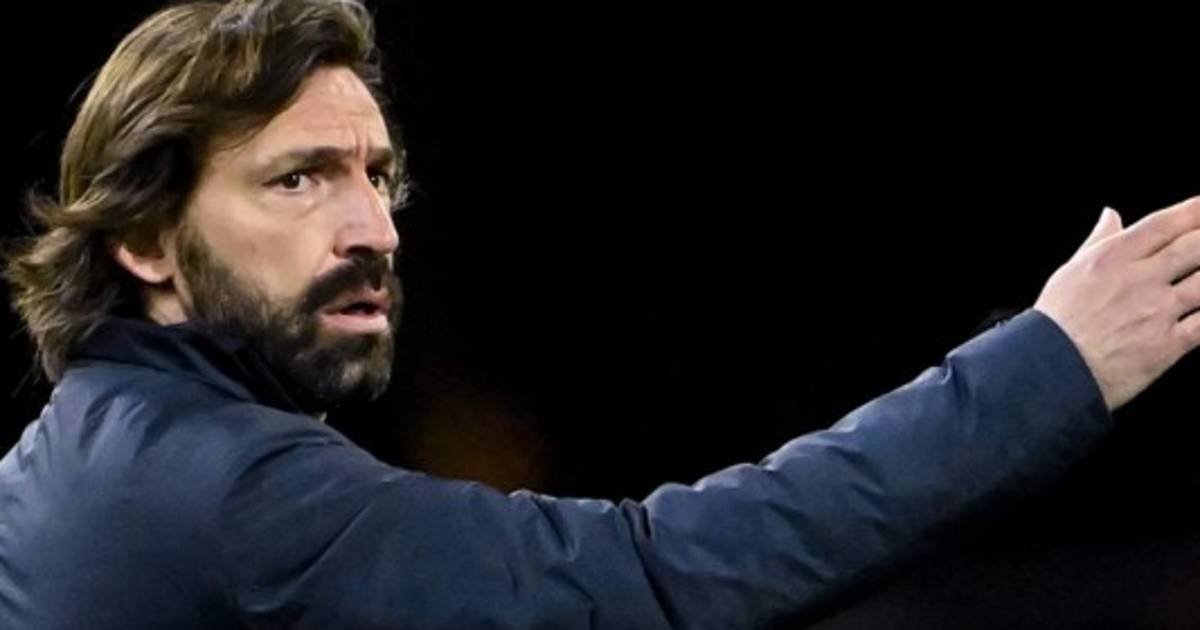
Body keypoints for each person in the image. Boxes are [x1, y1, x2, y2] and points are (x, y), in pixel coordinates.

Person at [1, 1, 1197, 627]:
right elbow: (653, 578)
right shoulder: (228, 493)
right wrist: (1052, 363)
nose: (374, 228)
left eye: (376, 174)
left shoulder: (79, 455)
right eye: (297, 179)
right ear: (144, 240)